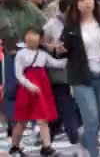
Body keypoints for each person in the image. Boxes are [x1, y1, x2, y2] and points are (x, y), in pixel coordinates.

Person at [58, 0, 100, 157]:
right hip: (81, 77)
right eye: (82, 0)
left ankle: (85, 141)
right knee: (90, 118)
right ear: (76, 4)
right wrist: (57, 50)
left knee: (98, 118)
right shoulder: (71, 28)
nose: (87, 3)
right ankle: (93, 153)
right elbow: (64, 50)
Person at [0, 0, 47, 137]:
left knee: (22, 88)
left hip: (23, 52)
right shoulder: (8, 8)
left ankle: (31, 123)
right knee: (13, 89)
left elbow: (44, 24)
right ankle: (15, 123)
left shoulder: (27, 8)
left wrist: (34, 37)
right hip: (15, 52)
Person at [10, 28, 66, 157]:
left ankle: (47, 147)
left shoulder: (42, 54)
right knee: (22, 121)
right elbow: (18, 75)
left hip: (41, 89)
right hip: (26, 89)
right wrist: (29, 85)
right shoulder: (21, 54)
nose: (32, 39)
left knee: (43, 119)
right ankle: (15, 146)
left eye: (35, 36)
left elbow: (57, 64)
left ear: (40, 39)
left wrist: (70, 58)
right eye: (30, 35)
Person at [42, 0, 81, 146]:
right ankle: (74, 135)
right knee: (65, 103)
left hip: (76, 69)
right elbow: (41, 42)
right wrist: (53, 47)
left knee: (63, 107)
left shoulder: (78, 24)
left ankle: (49, 136)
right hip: (58, 71)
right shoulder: (52, 24)